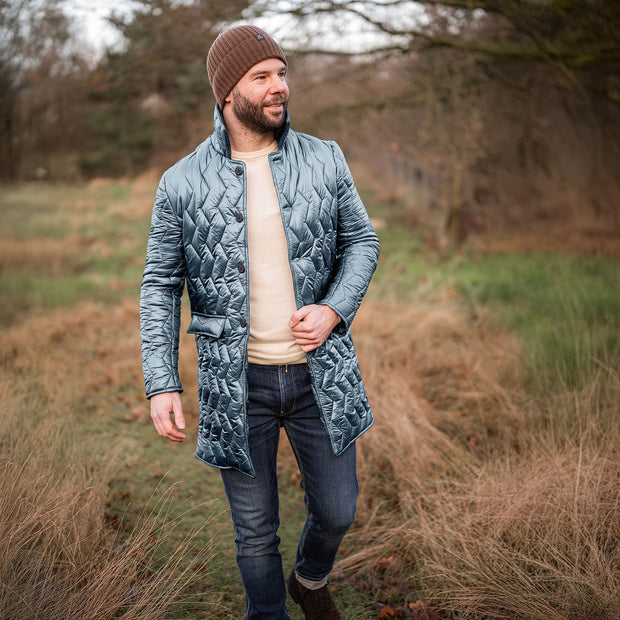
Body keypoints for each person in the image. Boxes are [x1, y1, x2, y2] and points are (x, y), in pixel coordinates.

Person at [140, 24, 379, 620]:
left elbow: (362, 242)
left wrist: (333, 308)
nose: (280, 87)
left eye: (282, 73)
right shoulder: (181, 182)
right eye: (262, 76)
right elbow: (160, 286)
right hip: (236, 382)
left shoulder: (324, 158)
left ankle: (310, 577)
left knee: (338, 511)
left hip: (319, 374)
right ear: (227, 93)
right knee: (253, 531)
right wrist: (162, 381)